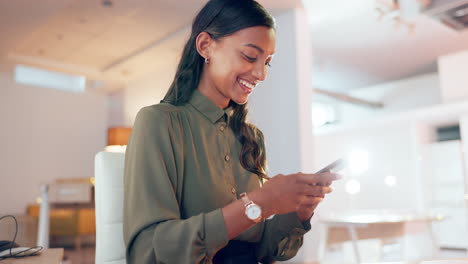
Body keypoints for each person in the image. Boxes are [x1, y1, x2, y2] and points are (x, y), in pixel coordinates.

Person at [123, 0, 341, 263]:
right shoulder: (160, 122)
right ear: (205, 45)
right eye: (250, 56)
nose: (261, 74)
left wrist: (299, 212)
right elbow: (148, 252)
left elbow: (265, 250)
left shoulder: (251, 138)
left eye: (267, 62)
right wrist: (261, 202)